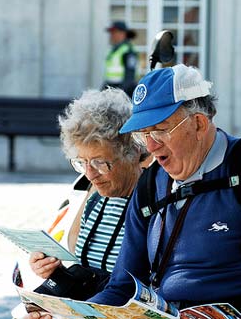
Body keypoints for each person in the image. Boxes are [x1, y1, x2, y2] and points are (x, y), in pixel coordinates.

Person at [86, 64, 241, 319]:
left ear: (198, 124)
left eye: (160, 130)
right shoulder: (151, 184)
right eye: (143, 135)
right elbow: (121, 287)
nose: (151, 146)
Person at [26, 88, 149, 318]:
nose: (91, 175)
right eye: (82, 162)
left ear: (132, 152)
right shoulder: (96, 197)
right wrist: (55, 270)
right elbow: (86, 270)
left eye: (100, 162)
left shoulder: (150, 202)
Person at [102, 21, 138, 97]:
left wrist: (120, 94)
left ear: (122, 34)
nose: (111, 35)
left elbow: (129, 76)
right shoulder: (114, 50)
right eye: (111, 33)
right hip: (112, 88)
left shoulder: (128, 51)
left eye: (114, 32)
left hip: (123, 90)